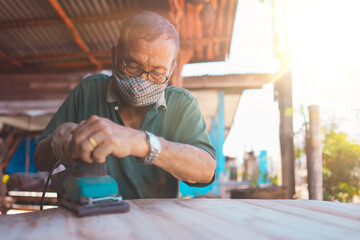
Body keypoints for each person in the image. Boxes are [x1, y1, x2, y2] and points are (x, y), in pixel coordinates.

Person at [34, 12, 216, 199]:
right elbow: (40, 160)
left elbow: (206, 170)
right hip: (89, 219)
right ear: (114, 55)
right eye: (133, 67)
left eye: (156, 73)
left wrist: (141, 143)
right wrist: (57, 139)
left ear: (171, 69)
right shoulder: (89, 90)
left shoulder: (180, 103)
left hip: (152, 223)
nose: (142, 80)